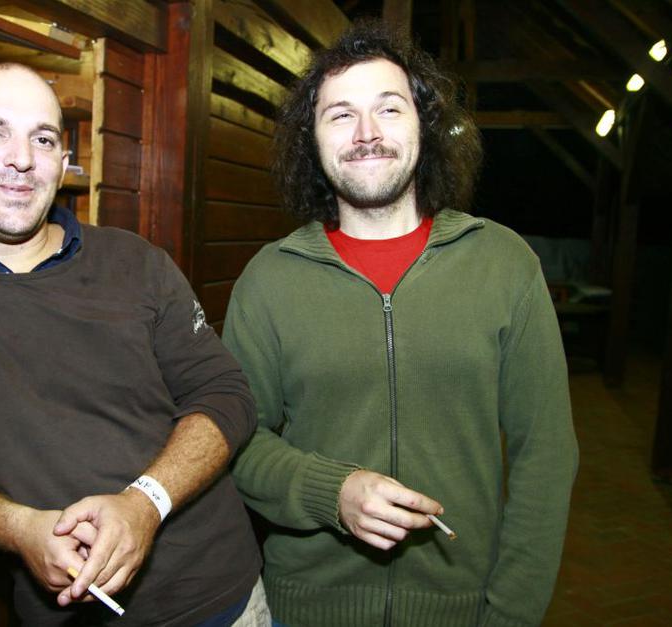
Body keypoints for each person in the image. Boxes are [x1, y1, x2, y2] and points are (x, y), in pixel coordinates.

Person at [0, 63, 269, 626]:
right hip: (62, 614)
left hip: (213, 598)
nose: (22, 159)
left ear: (62, 163)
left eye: (43, 139)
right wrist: (18, 528)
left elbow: (227, 394)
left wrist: (144, 504)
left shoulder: (136, 263)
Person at [222, 19, 579, 627]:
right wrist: (332, 491)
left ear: (424, 126)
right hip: (307, 610)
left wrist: (511, 615)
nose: (367, 133)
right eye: (340, 115)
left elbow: (545, 454)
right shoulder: (270, 279)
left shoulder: (504, 264)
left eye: (389, 108)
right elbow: (237, 442)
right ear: (311, 140)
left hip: (463, 610)